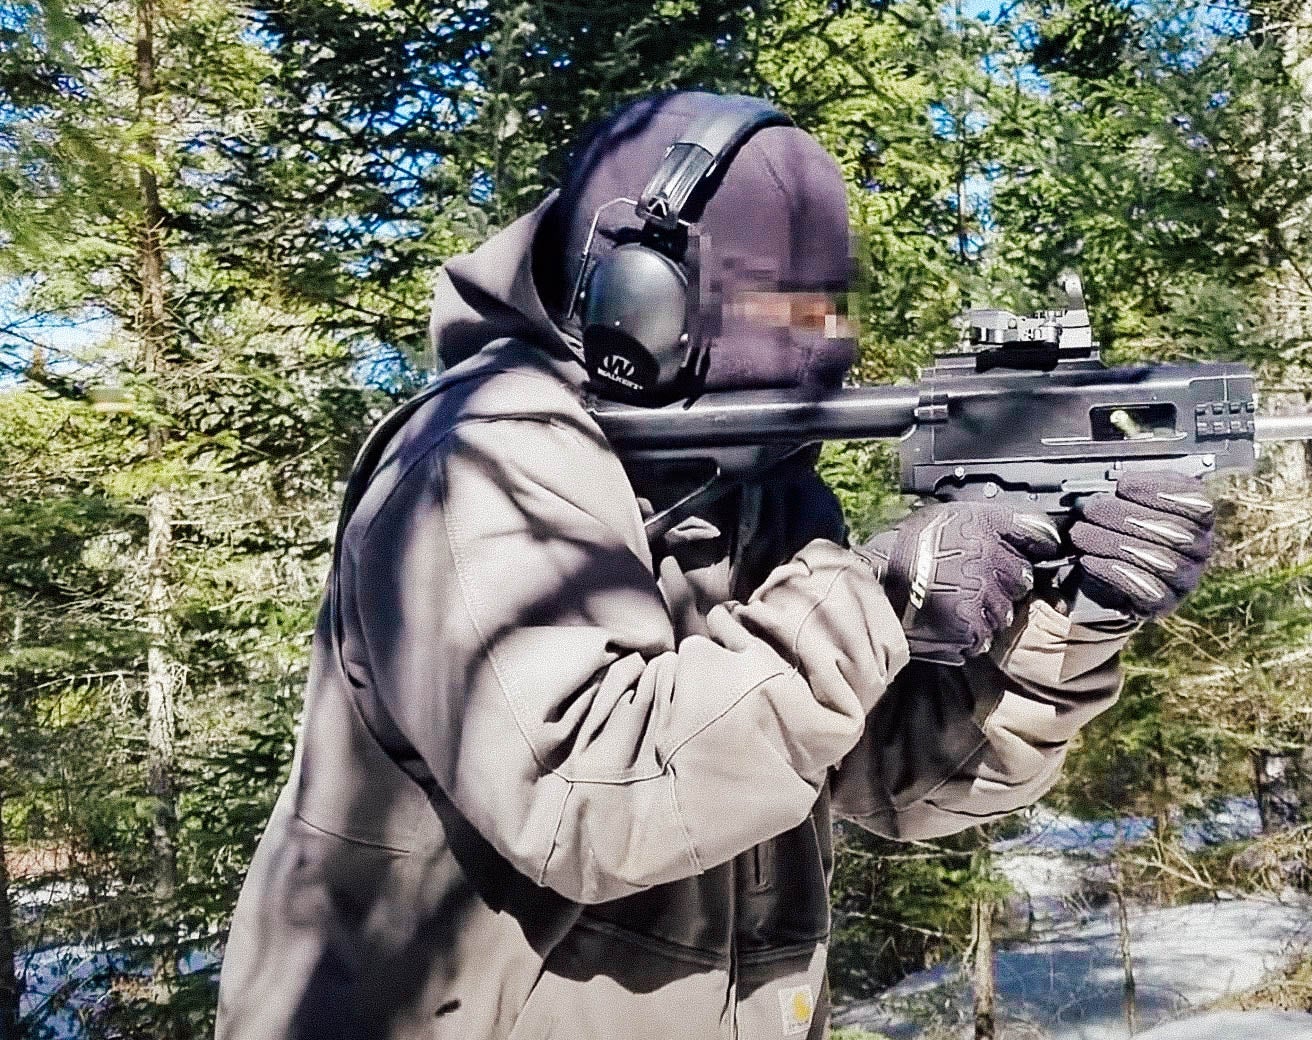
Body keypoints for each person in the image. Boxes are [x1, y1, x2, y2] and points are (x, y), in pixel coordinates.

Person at [214, 91, 1214, 1040]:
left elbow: (903, 785)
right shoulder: (476, 459)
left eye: (827, 312)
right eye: (779, 310)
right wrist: (878, 597)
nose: (816, 348)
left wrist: (1073, 613)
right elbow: (596, 794)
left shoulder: (749, 480)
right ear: (638, 301)